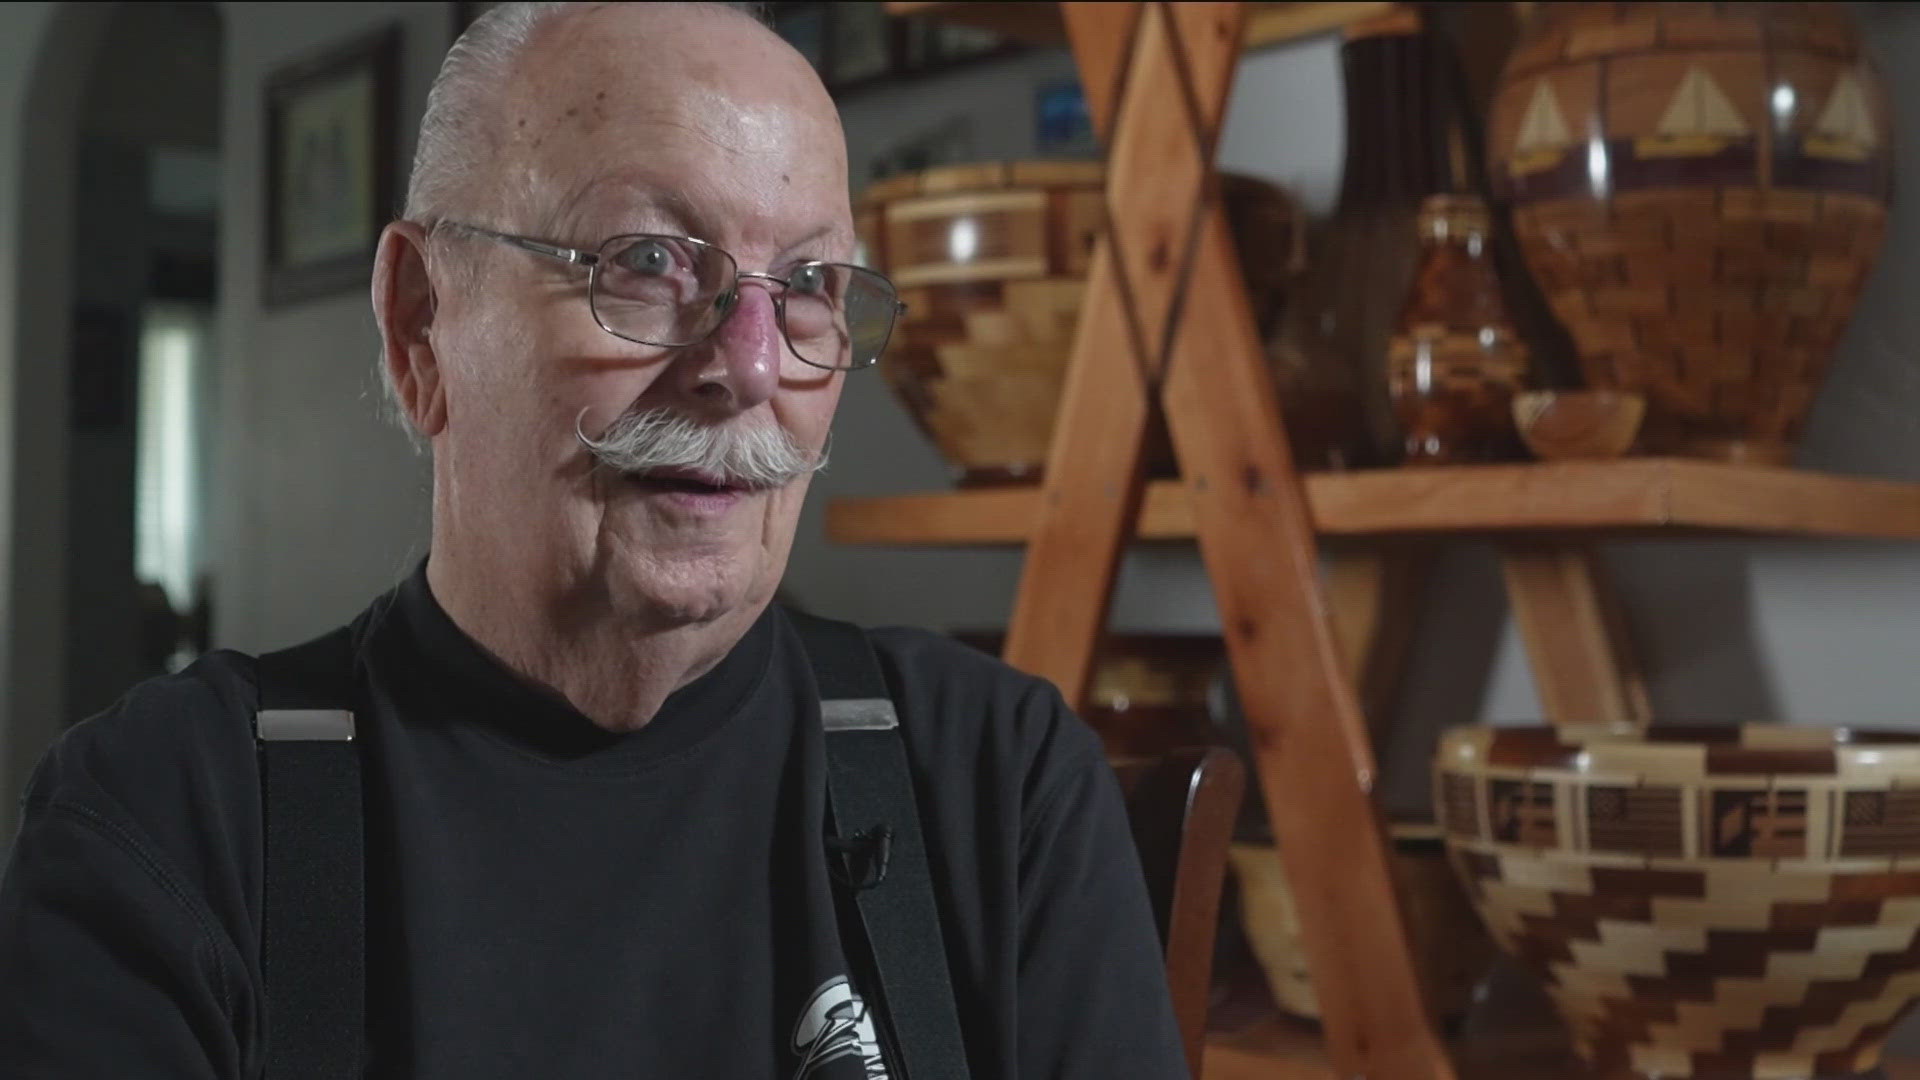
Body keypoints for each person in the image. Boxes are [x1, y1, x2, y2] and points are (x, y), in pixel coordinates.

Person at [0, 3, 1188, 1078]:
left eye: (809, 283)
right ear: (422, 323)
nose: (749, 368)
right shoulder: (172, 821)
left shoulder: (996, 781)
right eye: (648, 261)